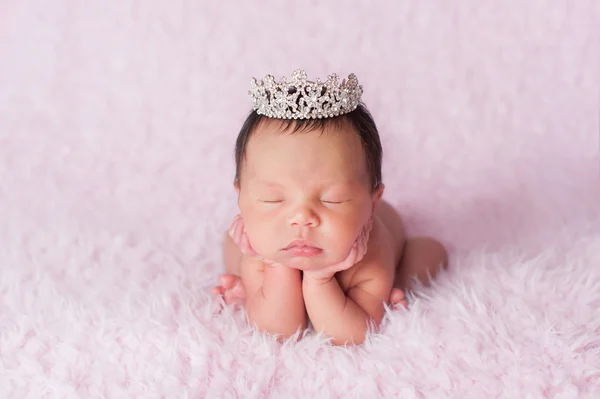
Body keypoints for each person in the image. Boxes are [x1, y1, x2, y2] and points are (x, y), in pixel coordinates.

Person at [212, 70, 448, 345]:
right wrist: (275, 265)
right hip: (268, 248)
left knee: (430, 253)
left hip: (392, 244)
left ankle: (397, 284)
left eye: (332, 199)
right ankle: (253, 291)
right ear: (240, 195)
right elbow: (279, 331)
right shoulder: (261, 248)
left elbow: (351, 335)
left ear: (372, 203)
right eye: (272, 199)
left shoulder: (370, 253)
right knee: (233, 243)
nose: (301, 217)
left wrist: (320, 279)